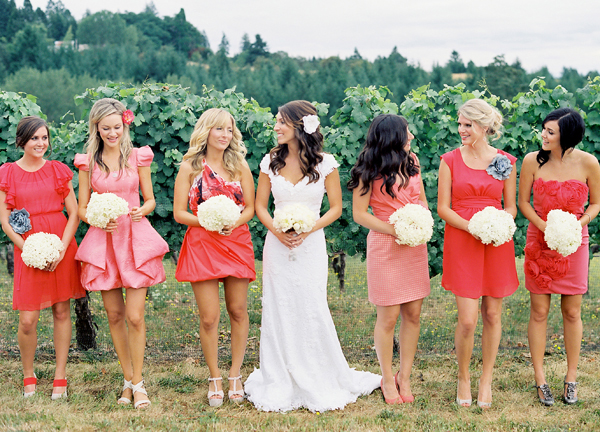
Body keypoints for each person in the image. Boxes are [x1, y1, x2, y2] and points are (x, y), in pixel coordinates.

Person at [244, 100, 380, 412]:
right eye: (276, 121)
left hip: (311, 245)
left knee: (310, 304)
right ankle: (279, 375)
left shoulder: (325, 163)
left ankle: (318, 372)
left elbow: (335, 208)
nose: (276, 127)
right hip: (277, 247)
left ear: (299, 126)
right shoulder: (270, 162)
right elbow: (260, 206)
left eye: (281, 122)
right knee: (278, 307)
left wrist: (308, 229)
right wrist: (277, 231)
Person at [75, 98, 169, 409]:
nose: (112, 133)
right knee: (115, 316)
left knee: (135, 315)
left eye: (117, 127)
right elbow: (82, 208)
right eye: (106, 128)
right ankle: (130, 380)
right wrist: (99, 219)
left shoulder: (139, 157)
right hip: (105, 240)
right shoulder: (88, 161)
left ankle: (138, 381)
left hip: (134, 238)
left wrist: (143, 209)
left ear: (124, 125)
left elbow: (151, 199)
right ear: (96, 128)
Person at [437, 99, 518, 409]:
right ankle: (463, 377)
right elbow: (443, 208)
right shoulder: (450, 160)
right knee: (468, 320)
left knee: (493, 314)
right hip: (463, 238)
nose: (462, 130)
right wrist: (473, 227)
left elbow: (510, 206)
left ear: (485, 127)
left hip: (496, 241)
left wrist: (500, 223)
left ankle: (486, 379)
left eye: (467, 125)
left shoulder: (505, 161)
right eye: (460, 124)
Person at [174, 108, 256, 407]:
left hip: (235, 241)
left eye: (229, 129)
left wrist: (232, 222)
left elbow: (250, 208)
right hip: (202, 244)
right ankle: (214, 376)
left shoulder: (240, 166)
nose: (225, 135)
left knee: (237, 310)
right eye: (219, 129)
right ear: (206, 131)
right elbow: (179, 213)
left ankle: (235, 373)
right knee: (209, 318)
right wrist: (207, 221)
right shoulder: (190, 167)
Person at [519, 108, 600, 406]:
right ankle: (540, 379)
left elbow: (596, 204)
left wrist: (577, 226)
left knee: (573, 312)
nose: (543, 135)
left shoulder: (589, 163)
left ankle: (571, 378)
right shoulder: (531, 161)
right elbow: (523, 203)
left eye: (550, 132)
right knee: (539, 311)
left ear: (567, 136)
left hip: (574, 242)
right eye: (544, 129)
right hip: (539, 240)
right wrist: (545, 227)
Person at [0, 116, 86, 399]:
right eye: (34, 138)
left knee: (61, 311)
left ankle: (60, 376)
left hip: (60, 242)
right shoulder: (8, 172)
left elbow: (73, 212)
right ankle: (28, 374)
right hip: (28, 247)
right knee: (27, 319)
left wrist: (61, 249)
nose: (40, 143)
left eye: (44, 138)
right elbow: (4, 219)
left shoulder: (58, 171)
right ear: (22, 140)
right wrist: (26, 247)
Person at [349, 114, 430, 404]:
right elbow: (360, 215)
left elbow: (421, 199)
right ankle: (386, 377)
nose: (411, 137)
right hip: (385, 243)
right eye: (407, 133)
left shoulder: (413, 161)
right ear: (393, 137)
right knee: (388, 316)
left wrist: (421, 220)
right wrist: (396, 229)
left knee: (413, 313)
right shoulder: (366, 169)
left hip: (413, 244)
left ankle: (404, 376)